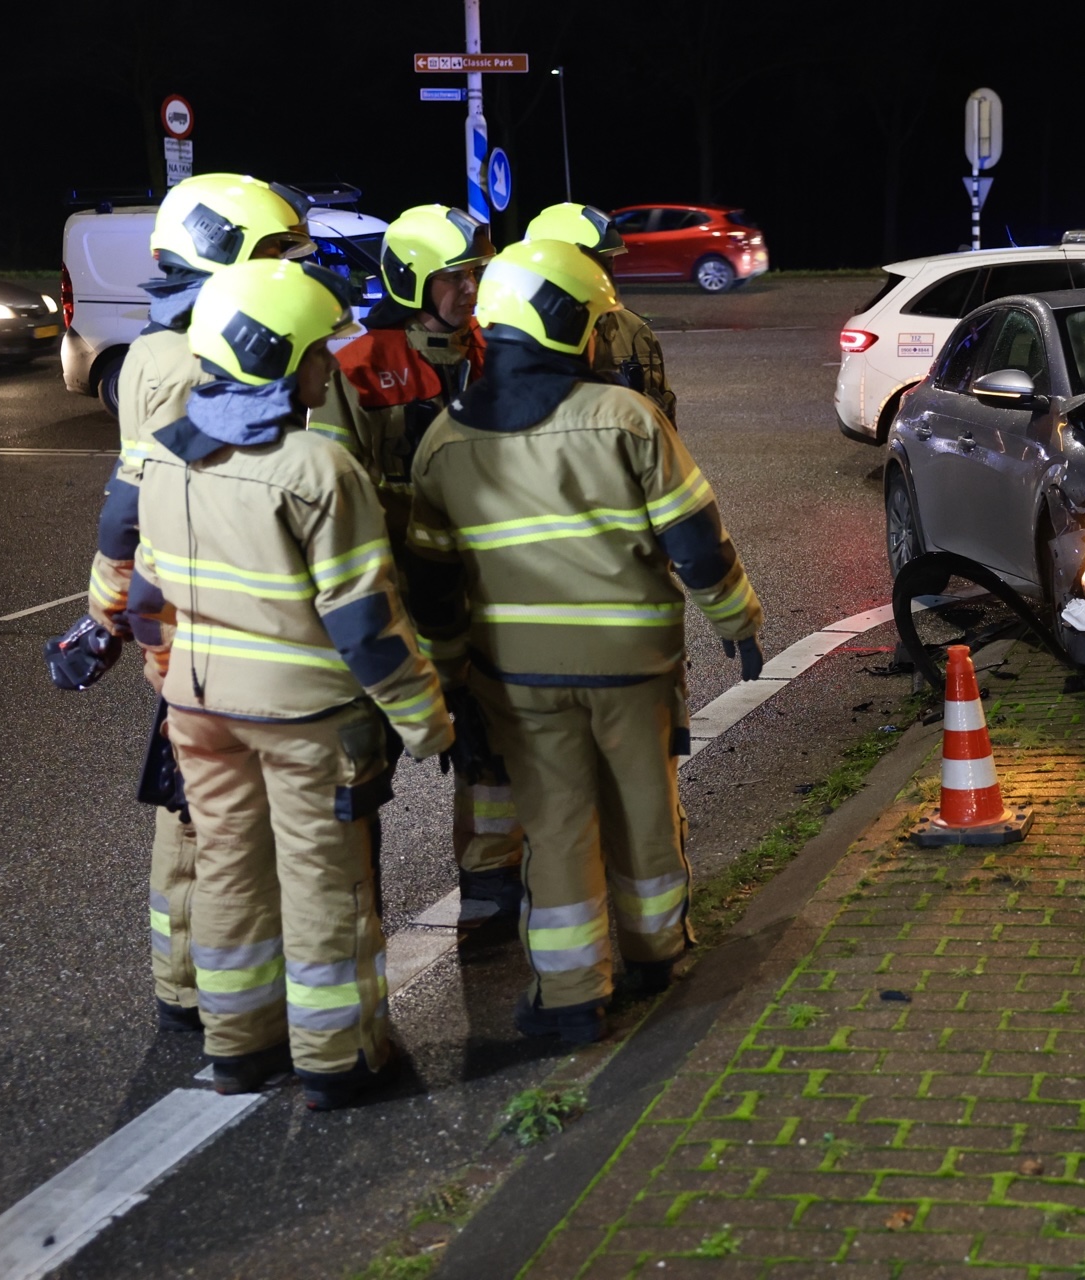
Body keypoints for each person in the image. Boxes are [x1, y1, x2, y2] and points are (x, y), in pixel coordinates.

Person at [404, 239, 761, 1047]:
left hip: (517, 678)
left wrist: (449, 669)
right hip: (633, 668)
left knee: (556, 823)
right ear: (569, 324)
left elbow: (433, 582)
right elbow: (697, 544)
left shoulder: (443, 442)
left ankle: (569, 994)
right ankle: (656, 952)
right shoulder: (627, 418)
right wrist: (737, 623)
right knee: (643, 807)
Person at [131, 258, 455, 1109]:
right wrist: (427, 722)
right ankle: (336, 1055)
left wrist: (174, 685)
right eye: (315, 353)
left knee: (230, 869)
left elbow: (144, 598)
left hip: (199, 713)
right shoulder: (317, 469)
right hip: (305, 719)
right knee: (324, 883)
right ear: (275, 359)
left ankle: (237, 1045)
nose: (325, 369)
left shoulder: (163, 459)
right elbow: (364, 624)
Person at [50, 173, 314, 1035]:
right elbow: (135, 502)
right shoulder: (180, 361)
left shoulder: (175, 344)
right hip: (200, 616)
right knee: (202, 811)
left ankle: (197, 978)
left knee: (203, 802)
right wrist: (110, 609)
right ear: (219, 252)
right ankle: (195, 983)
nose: (285, 269)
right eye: (271, 253)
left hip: (192, 611)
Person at [307, 205, 523, 929]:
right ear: (411, 280)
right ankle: (351, 912)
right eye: (455, 276)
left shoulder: (499, 353)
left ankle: (491, 899)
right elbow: (337, 492)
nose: (471, 288)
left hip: (486, 596)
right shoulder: (358, 368)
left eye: (478, 273)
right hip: (393, 600)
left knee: (492, 751)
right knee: (363, 762)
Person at [523, 203, 677, 425]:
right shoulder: (514, 342)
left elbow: (665, 427)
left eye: (610, 262)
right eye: (595, 265)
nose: (606, 277)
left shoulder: (634, 330)